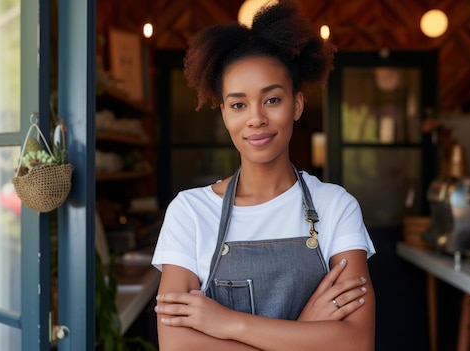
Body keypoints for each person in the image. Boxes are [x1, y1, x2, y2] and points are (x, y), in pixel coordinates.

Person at [151, 1, 376, 350]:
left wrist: (227, 323)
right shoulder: (190, 212)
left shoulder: (336, 207)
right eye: (239, 104)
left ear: (297, 104)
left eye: (272, 100)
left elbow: (357, 342)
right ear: (224, 113)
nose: (255, 118)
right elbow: (177, 345)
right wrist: (306, 331)